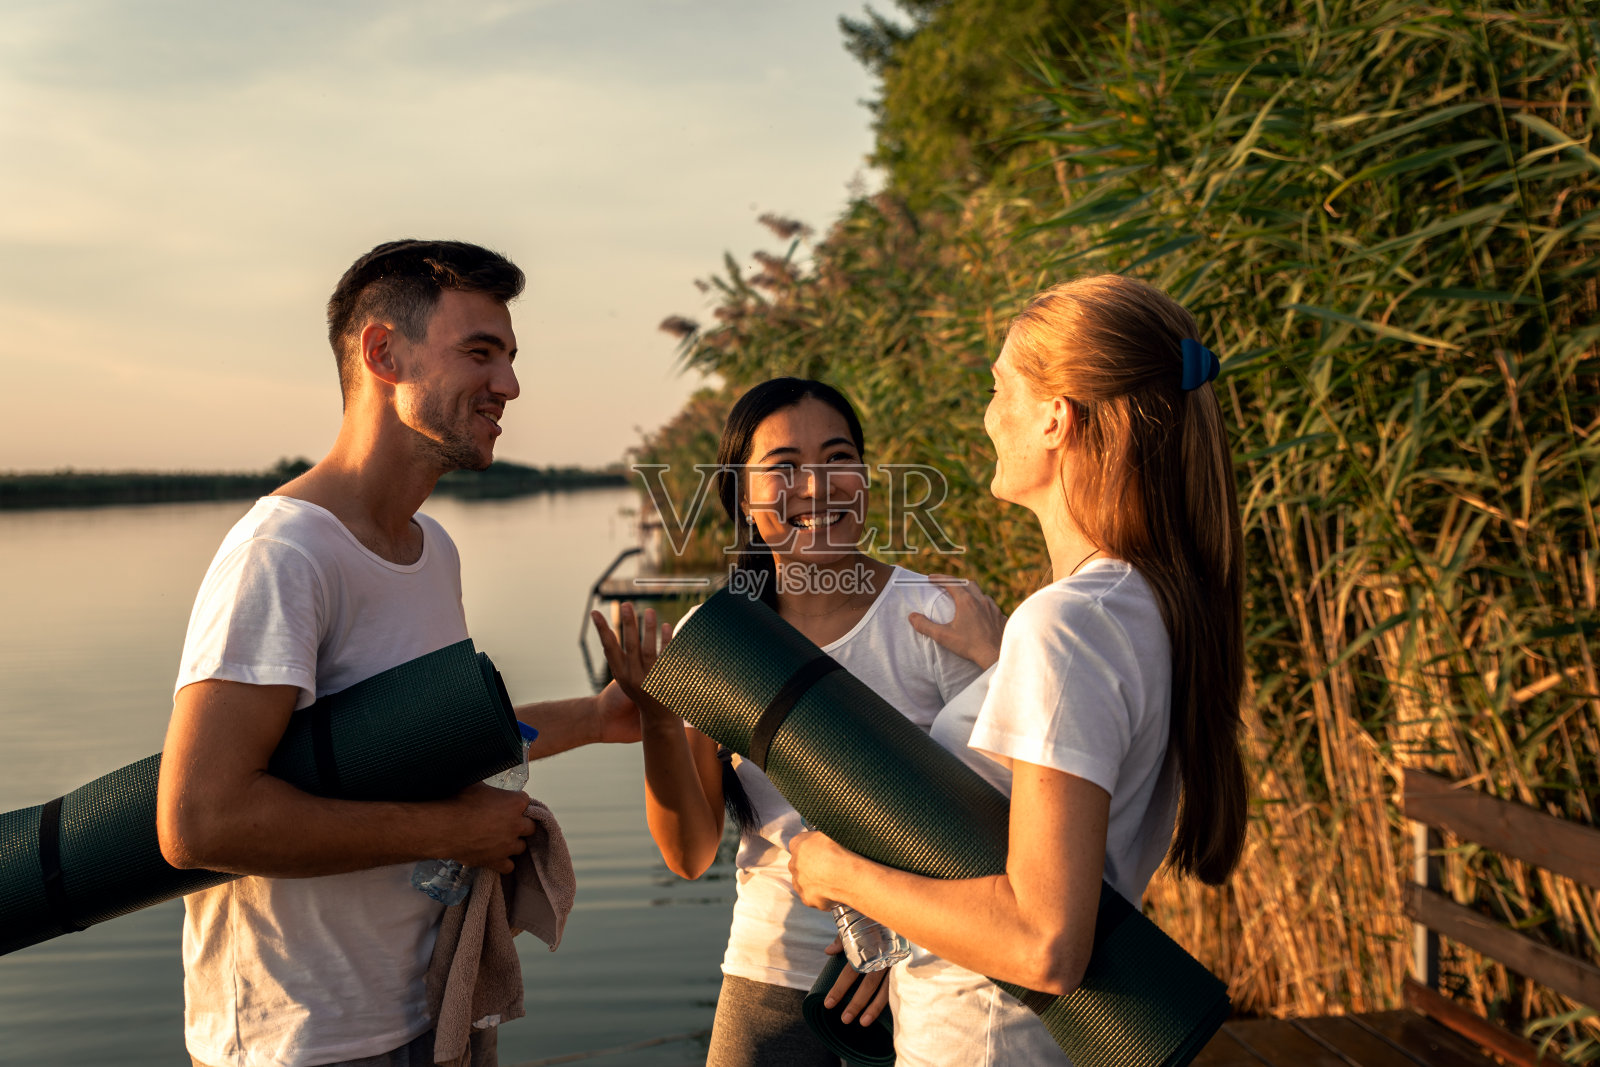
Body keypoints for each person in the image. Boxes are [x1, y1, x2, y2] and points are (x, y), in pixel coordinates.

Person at [155, 239, 641, 1067]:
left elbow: (412, 749)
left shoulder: (430, 550)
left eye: (511, 357)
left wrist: (600, 717)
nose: (510, 385)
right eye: (479, 353)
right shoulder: (283, 553)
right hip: (303, 1038)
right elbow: (201, 820)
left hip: (430, 1011)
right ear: (384, 352)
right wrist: (453, 830)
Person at [788, 274, 1250, 1065]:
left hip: (988, 1045)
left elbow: (1043, 941)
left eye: (999, 389)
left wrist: (840, 870)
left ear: (1054, 418)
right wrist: (997, 660)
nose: (985, 416)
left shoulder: (1067, 625)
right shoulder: (1144, 604)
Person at [592, 378, 999, 1067]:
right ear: (743, 499)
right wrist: (660, 720)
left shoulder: (938, 615)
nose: (816, 486)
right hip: (774, 971)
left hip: (930, 976)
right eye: (783, 467)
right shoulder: (719, 639)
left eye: (838, 458)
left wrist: (895, 925)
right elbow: (691, 854)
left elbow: (1001, 824)